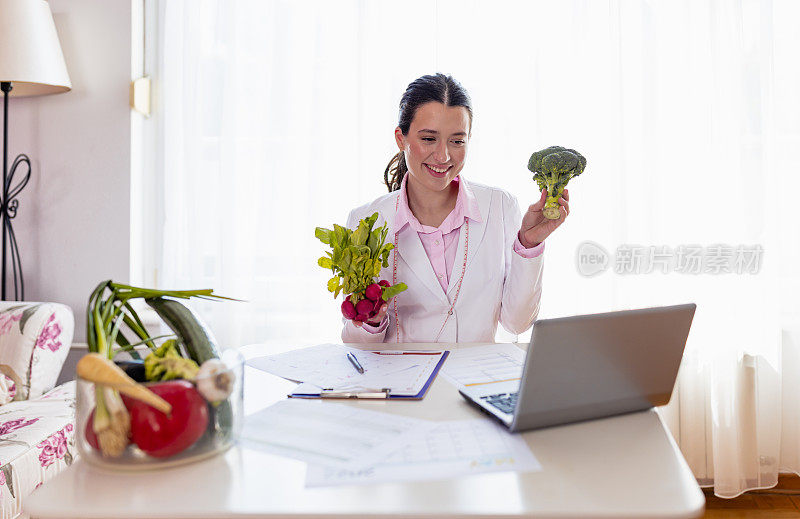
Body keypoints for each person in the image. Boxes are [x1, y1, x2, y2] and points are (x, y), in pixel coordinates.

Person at [341, 73, 569, 344]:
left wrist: (529, 244)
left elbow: (517, 323)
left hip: (476, 382)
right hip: (402, 383)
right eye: (428, 139)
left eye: (457, 141)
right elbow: (357, 344)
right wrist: (372, 321)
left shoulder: (500, 206)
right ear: (401, 138)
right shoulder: (365, 222)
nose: (443, 156)